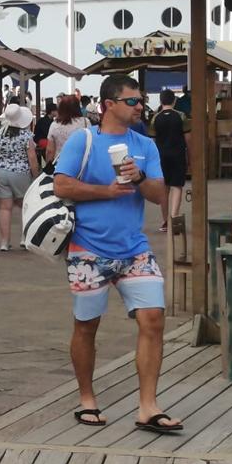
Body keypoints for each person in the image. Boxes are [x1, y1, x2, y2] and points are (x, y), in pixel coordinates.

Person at [53, 74, 181, 434]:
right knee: (86, 325)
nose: (141, 106)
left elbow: (158, 195)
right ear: (109, 104)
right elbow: (60, 183)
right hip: (87, 249)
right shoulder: (84, 140)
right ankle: (87, 399)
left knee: (153, 317)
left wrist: (139, 177)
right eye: (133, 101)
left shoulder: (145, 145)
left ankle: (148, 406)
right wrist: (105, 192)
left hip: (134, 248)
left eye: (141, 101)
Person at [0, 104, 38, 251]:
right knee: (24, 206)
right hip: (21, 173)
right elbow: (32, 158)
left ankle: (4, 242)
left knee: (4, 208)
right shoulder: (26, 136)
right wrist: (36, 175)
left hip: (1, 172)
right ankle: (24, 238)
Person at [150, 90, 190, 232]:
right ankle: (174, 217)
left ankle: (166, 221)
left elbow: (153, 141)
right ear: (174, 101)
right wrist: (189, 155)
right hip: (178, 154)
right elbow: (188, 138)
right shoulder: (181, 116)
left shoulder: (155, 118)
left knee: (164, 188)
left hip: (161, 156)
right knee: (177, 186)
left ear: (161, 101)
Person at [46, 96, 90, 164]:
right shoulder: (85, 122)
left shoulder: (54, 125)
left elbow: (50, 151)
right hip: (81, 163)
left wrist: (48, 164)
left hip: (60, 164)